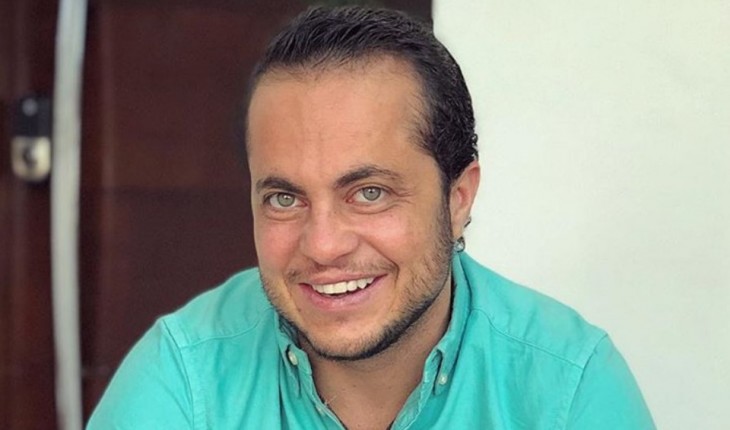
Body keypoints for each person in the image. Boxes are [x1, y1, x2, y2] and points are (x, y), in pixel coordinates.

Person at [88, 6, 655, 429]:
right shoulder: (184, 379)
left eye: (369, 193)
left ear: (458, 198)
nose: (323, 245)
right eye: (284, 199)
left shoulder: (567, 391)